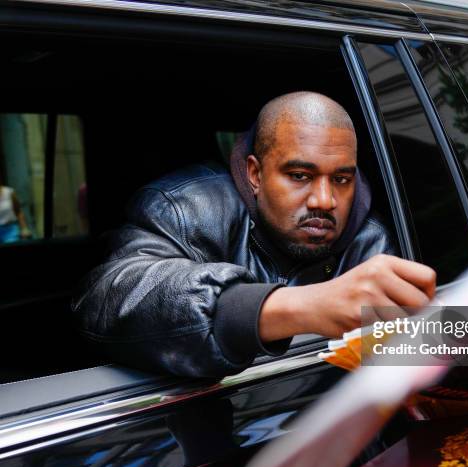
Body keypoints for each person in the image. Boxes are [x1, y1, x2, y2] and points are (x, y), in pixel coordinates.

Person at [72, 92, 436, 379]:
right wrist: (296, 307)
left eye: (341, 179)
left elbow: (429, 349)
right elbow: (110, 298)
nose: (325, 200)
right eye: (299, 175)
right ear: (255, 174)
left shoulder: (370, 244)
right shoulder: (185, 209)